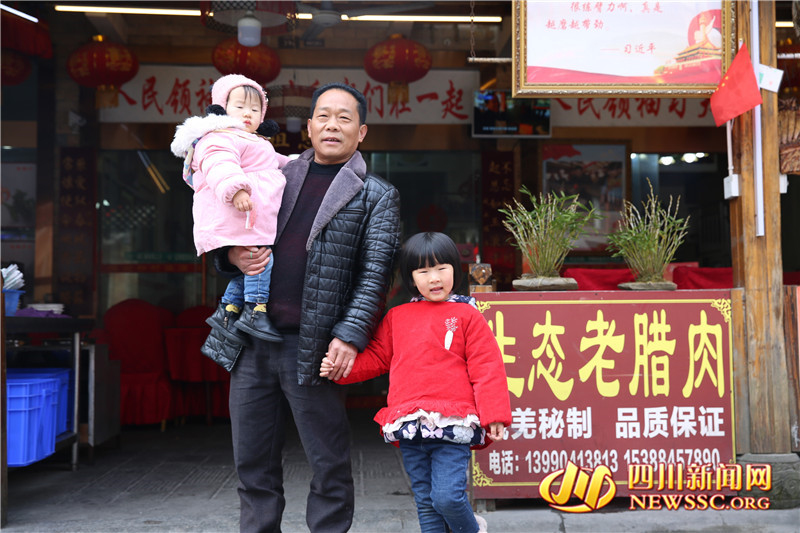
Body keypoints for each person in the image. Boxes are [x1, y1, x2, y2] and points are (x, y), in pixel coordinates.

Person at [216, 82, 401, 532]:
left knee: (328, 463)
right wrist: (230, 255)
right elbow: (227, 224)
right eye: (323, 116)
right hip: (253, 339)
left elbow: (376, 274)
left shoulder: (376, 194)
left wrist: (349, 335)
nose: (332, 125)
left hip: (316, 346)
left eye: (344, 117)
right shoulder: (274, 175)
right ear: (310, 126)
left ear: (362, 132)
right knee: (252, 462)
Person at [320, 232, 512, 533]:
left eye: (441, 268)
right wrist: (340, 369)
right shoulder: (397, 316)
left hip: (453, 423)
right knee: (425, 500)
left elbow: (486, 366)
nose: (434, 278)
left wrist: (495, 414)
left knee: (447, 498)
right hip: (409, 423)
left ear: (455, 269)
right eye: (423, 271)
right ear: (411, 277)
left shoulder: (467, 315)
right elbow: (377, 357)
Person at [170, 73, 287, 343]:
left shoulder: (255, 141)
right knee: (260, 260)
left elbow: (277, 162)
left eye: (255, 109)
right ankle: (254, 311)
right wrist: (236, 189)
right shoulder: (219, 137)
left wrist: (301, 164)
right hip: (237, 212)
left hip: (249, 216)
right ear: (222, 109)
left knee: (253, 262)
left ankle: (228, 308)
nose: (247, 113)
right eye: (240, 106)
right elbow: (219, 163)